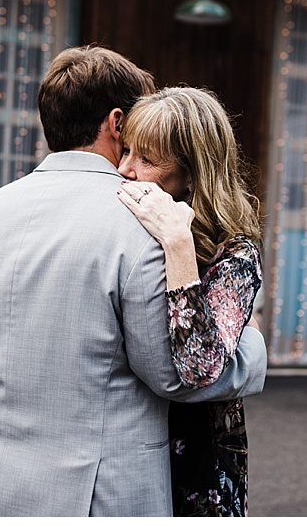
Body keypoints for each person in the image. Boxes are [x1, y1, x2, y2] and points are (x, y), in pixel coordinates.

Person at [0, 46, 267, 517]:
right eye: (131, 140)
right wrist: (253, 354)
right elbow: (173, 376)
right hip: (92, 492)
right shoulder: (140, 221)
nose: (131, 165)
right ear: (117, 123)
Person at [116, 86, 264, 517]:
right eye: (126, 151)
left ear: (193, 173)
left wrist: (179, 244)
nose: (125, 170)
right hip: (131, 444)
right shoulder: (128, 226)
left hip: (199, 458)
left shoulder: (235, 252)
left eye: (147, 159)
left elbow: (199, 366)